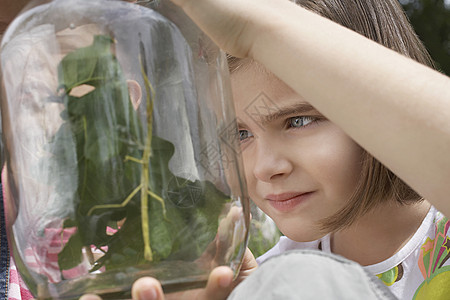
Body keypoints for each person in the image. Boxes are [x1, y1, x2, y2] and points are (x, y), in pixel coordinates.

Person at [96, 0, 450, 299]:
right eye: (237, 133)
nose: (265, 168)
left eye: (298, 121)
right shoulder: (267, 283)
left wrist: (257, 31)